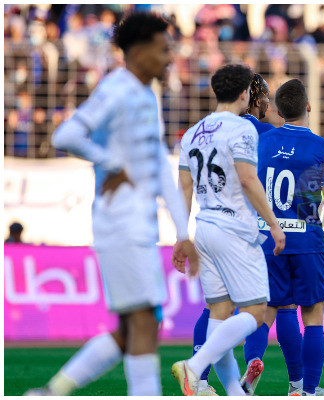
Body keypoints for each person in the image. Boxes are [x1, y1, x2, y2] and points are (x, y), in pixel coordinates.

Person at [26, 12, 198, 396]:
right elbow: (66, 133)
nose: (169, 57)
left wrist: (183, 231)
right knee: (144, 321)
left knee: (131, 327)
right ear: (138, 51)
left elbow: (158, 167)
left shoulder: (142, 94)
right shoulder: (118, 90)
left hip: (136, 224)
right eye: (163, 49)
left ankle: (50, 393)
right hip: (120, 224)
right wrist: (110, 163)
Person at [170, 63, 285, 396]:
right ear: (245, 93)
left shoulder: (192, 133)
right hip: (235, 228)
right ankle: (193, 367)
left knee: (219, 315)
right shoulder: (242, 128)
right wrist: (275, 225)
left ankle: (235, 392)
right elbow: (248, 180)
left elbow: (185, 189)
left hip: (204, 229)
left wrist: (181, 235)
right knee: (255, 311)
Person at [241, 78, 324, 396]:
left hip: (268, 240)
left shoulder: (262, 142)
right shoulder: (322, 148)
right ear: (309, 107)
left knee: (264, 313)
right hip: (306, 241)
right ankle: (306, 390)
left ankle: (253, 364)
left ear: (275, 109)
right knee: (312, 317)